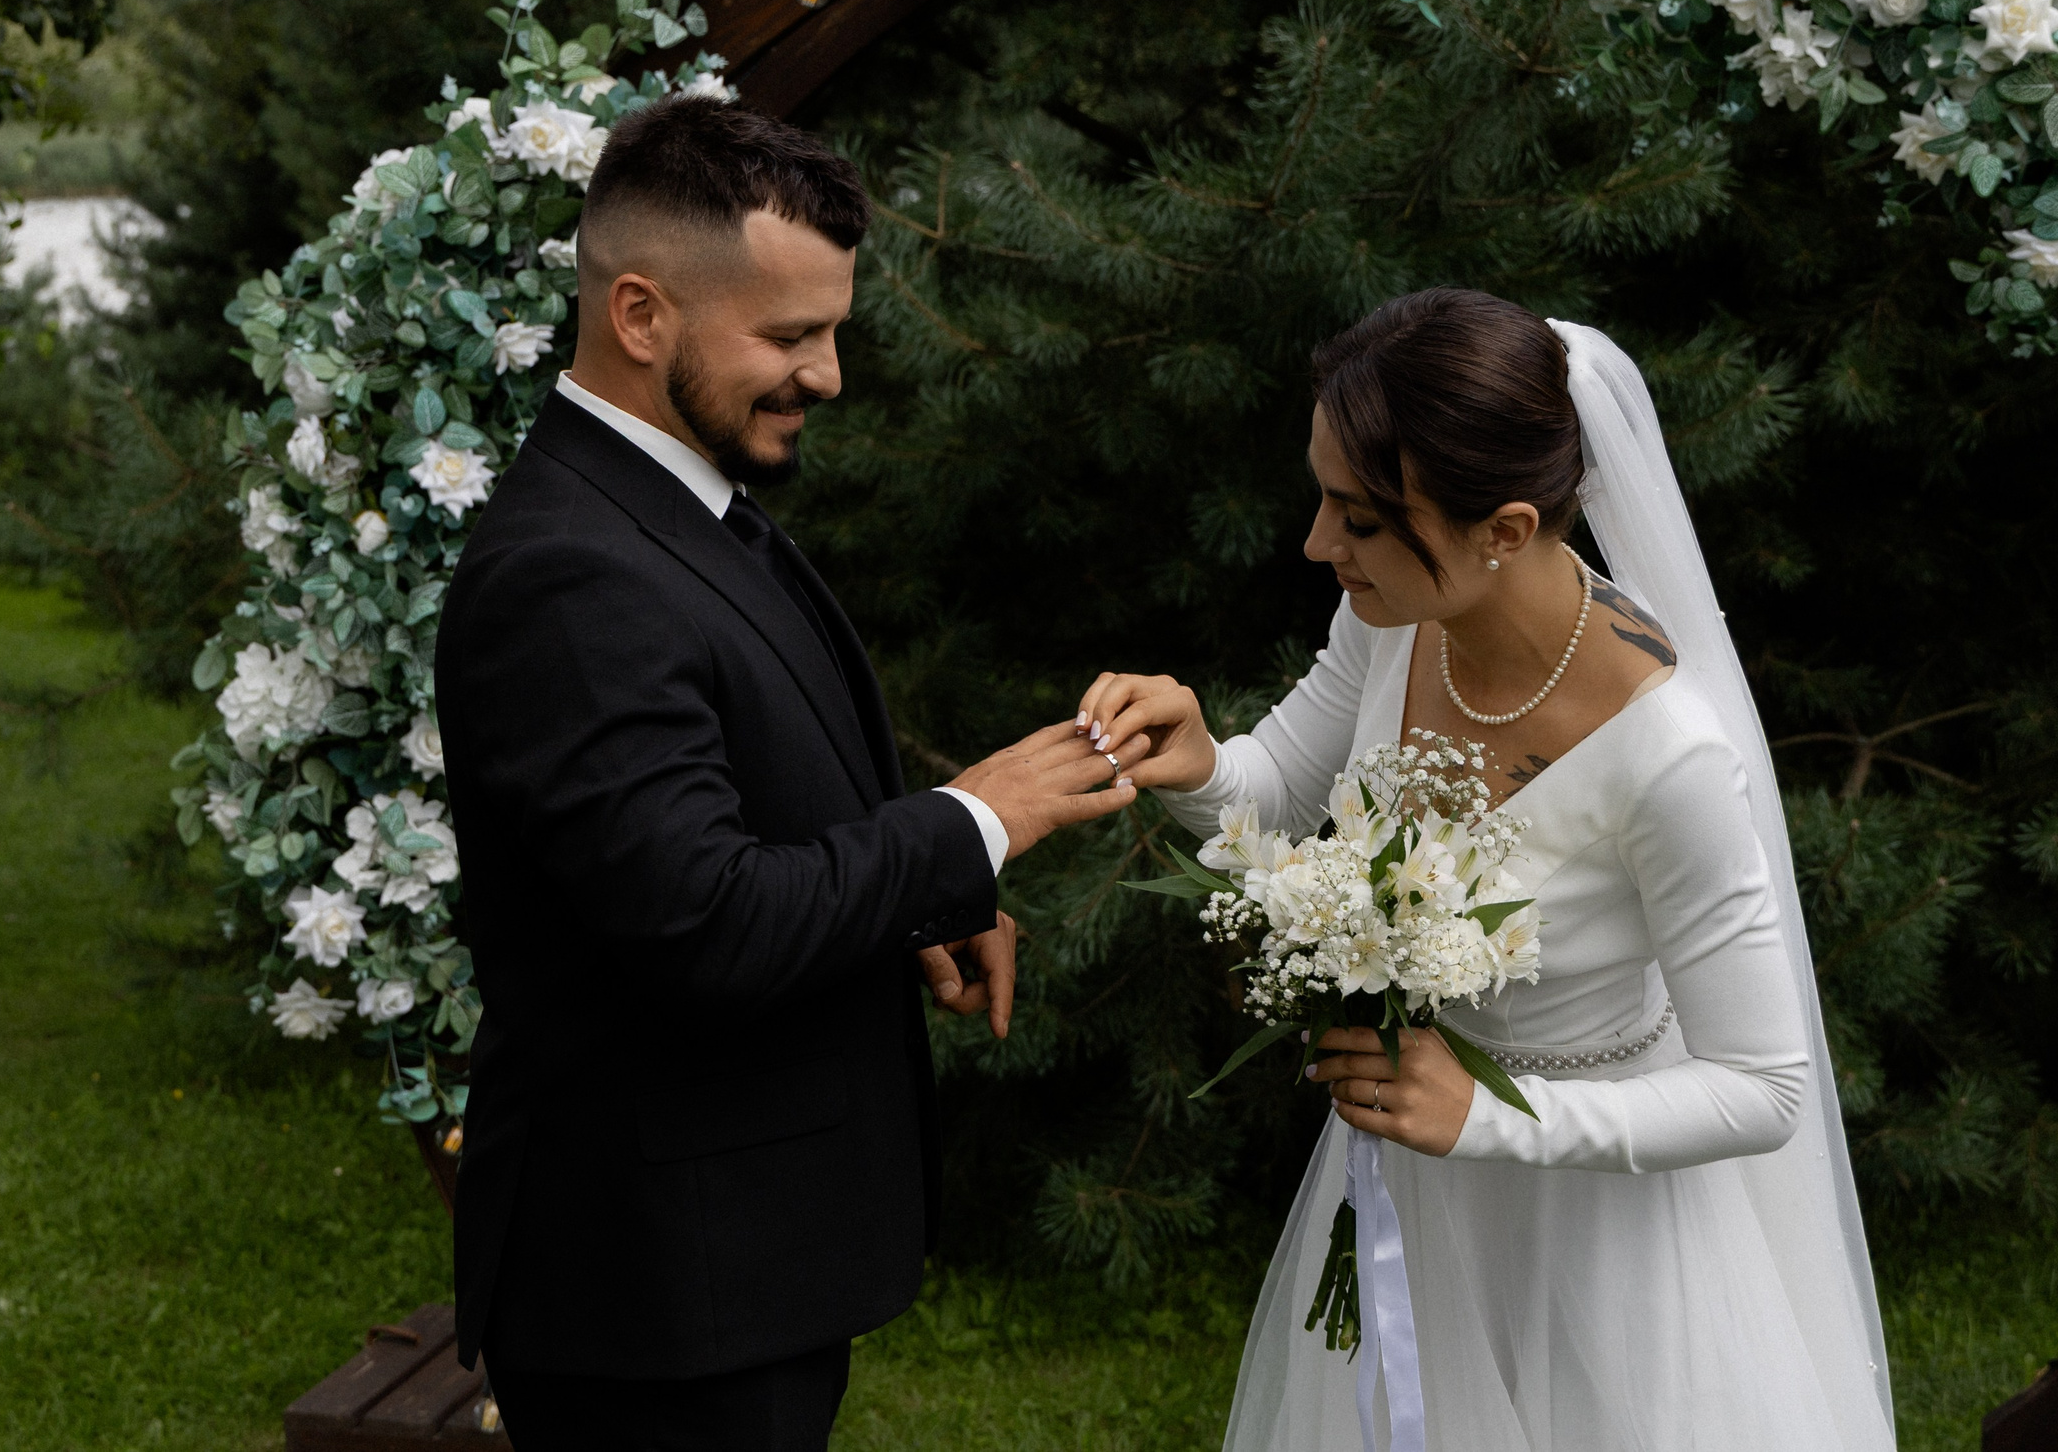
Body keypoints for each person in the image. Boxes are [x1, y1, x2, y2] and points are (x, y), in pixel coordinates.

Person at [1074, 291, 1896, 1452]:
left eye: (1358, 517)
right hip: (1410, 1191)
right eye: (1322, 497)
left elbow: (1764, 1092)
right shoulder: (1401, 613)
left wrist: (1483, 1120)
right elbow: (1282, 780)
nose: (1318, 544)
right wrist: (1201, 758)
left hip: (1604, 1237)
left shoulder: (1668, 759)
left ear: (1504, 529)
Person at [436, 96, 1136, 1451]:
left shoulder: (679, 500)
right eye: (789, 335)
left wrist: (924, 901)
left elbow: (742, 801)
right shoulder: (569, 573)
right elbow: (708, 921)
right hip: (659, 1297)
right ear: (641, 315)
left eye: (832, 330)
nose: (828, 375)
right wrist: (976, 821)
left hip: (732, 1270)